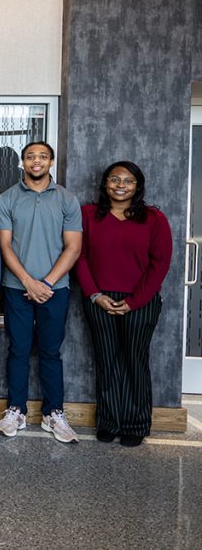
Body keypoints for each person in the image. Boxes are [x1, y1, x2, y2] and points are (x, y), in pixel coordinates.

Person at [74, 161, 172, 447]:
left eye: (127, 181)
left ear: (137, 186)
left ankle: (135, 423)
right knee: (107, 361)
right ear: (105, 184)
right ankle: (109, 421)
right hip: (98, 298)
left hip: (140, 301)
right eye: (114, 179)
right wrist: (95, 294)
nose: (120, 185)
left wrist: (134, 301)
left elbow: (160, 264)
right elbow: (79, 257)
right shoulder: (88, 214)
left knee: (134, 361)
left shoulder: (154, 218)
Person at [0, 141, 82, 443]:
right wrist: (28, 282)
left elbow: (73, 247)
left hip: (55, 290)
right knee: (18, 350)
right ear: (23, 162)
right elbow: (4, 246)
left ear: (51, 162)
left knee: (50, 352)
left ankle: (53, 413)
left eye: (42, 156)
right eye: (31, 156)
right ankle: (15, 410)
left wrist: (45, 284)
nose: (36, 161)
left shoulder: (67, 200)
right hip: (17, 288)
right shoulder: (6, 199)